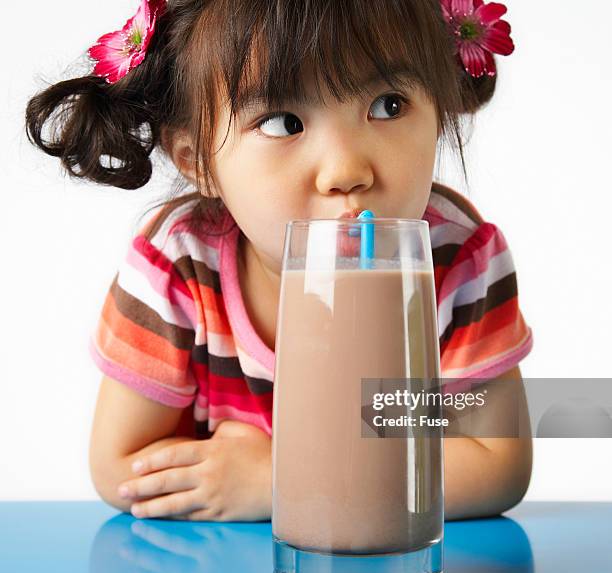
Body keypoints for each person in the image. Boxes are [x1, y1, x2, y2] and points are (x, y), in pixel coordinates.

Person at [25, 0, 533, 522]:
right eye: (284, 122)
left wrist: (281, 481)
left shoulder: (456, 260)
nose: (345, 169)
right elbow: (121, 468)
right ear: (197, 160)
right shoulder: (177, 266)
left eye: (388, 106)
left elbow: (498, 464)